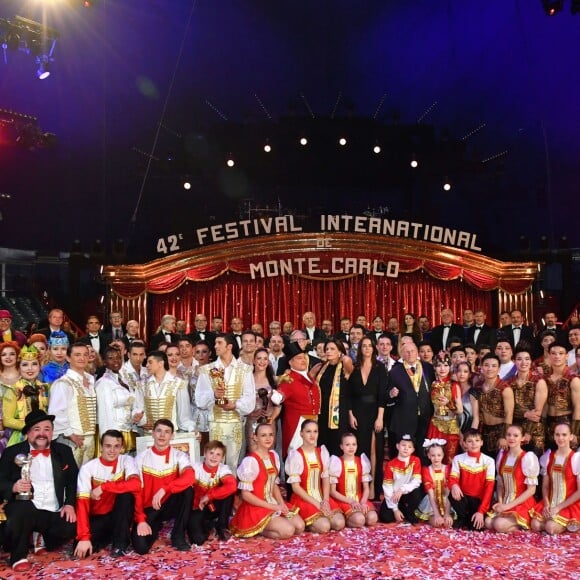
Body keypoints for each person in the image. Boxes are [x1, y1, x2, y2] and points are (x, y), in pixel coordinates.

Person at [0, 410, 78, 572]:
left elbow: (72, 481)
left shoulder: (64, 451)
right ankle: (18, 556)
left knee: (70, 527)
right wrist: (13, 487)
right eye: (37, 429)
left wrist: (69, 504)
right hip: (25, 508)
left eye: (47, 429)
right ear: (28, 433)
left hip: (53, 509)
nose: (42, 434)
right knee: (22, 509)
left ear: (52, 432)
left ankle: (36, 535)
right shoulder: (12, 452)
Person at [74, 429, 141, 558]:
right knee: (81, 551)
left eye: (116, 446)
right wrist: (84, 537)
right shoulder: (88, 468)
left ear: (122, 447)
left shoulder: (126, 460)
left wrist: (104, 487)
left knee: (126, 496)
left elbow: (136, 485)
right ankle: (109, 537)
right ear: (101, 446)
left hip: (119, 515)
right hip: (98, 517)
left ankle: (120, 544)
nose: (112, 450)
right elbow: (82, 504)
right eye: (108, 446)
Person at [230, 423, 304, 539]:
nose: (268, 438)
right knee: (288, 531)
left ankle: (268, 527)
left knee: (300, 527)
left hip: (273, 503)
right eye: (263, 435)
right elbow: (245, 495)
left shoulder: (273, 456)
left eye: (271, 435)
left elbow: (273, 484)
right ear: (255, 438)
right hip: (256, 507)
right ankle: (257, 529)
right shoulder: (250, 461)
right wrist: (272, 507)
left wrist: (281, 503)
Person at [132, 419, 194, 553]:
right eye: (159, 431)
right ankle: (155, 526)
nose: (162, 435)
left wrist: (165, 488)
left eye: (167, 432)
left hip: (169, 504)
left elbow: (190, 477)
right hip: (150, 508)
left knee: (187, 490)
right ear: (152, 433)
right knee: (141, 548)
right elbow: (136, 492)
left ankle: (178, 536)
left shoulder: (179, 456)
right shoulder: (141, 458)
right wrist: (141, 519)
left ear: (172, 436)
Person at [196, 334, 255, 472]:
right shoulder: (207, 369)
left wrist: (236, 405)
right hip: (216, 423)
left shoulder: (245, 369)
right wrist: (213, 395)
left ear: (229, 346)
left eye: (219, 343)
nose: (215, 346)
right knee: (215, 464)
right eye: (215, 343)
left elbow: (249, 397)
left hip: (236, 423)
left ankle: (230, 492)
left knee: (233, 464)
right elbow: (199, 399)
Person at [285, 419, 345, 534]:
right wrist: (317, 504)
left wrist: (325, 501)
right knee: (324, 526)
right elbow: (296, 488)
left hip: (321, 497)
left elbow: (325, 478)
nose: (312, 435)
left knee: (339, 523)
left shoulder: (322, 452)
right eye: (308, 431)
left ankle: (316, 519)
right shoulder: (295, 456)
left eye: (315, 431)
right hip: (304, 499)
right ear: (301, 434)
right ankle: (308, 521)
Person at [347, 335, 388, 499]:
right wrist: (350, 414)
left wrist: (380, 418)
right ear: (359, 349)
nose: (367, 349)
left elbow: (382, 396)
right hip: (357, 413)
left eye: (369, 345)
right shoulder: (354, 368)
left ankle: (373, 487)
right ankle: (358, 487)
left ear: (374, 348)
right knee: (359, 450)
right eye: (364, 346)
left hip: (374, 412)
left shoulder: (380, 368)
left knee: (374, 450)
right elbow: (348, 395)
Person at [386, 341, 435, 464]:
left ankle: (422, 481)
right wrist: (391, 394)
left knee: (423, 452)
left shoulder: (428, 368)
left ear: (417, 352)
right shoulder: (394, 372)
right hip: (405, 419)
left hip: (425, 418)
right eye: (406, 352)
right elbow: (387, 395)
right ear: (402, 355)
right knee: (406, 454)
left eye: (412, 351)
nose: (410, 354)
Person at [48, 343, 97, 466]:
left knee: (85, 478)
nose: (82, 358)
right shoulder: (63, 383)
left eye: (85, 355)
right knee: (71, 477)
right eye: (77, 355)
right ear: (68, 358)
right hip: (72, 439)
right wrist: (70, 434)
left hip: (90, 438)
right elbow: (56, 413)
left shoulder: (91, 380)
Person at [485, 424, 540, 533]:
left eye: (515, 435)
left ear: (522, 438)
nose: (511, 438)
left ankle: (522, 526)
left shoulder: (528, 458)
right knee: (488, 522)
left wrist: (507, 507)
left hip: (521, 503)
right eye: (509, 435)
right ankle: (513, 528)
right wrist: (501, 503)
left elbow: (531, 490)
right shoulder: (502, 456)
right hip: (505, 501)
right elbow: (500, 483)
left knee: (498, 524)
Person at [272, 342, 322, 458]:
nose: (303, 360)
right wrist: (276, 395)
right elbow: (278, 397)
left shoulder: (309, 376)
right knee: (296, 455)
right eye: (299, 358)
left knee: (310, 457)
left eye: (304, 357)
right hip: (297, 424)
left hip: (312, 423)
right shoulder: (289, 379)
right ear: (290, 362)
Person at [530, 422, 580, 535]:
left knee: (550, 527)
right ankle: (565, 525)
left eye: (564, 435)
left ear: (571, 436)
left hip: (569, 504)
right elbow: (546, 486)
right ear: (554, 436)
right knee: (535, 524)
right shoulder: (548, 457)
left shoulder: (576, 458)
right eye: (557, 435)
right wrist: (547, 505)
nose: (560, 438)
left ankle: (571, 523)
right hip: (551, 502)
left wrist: (558, 508)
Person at [188, 440, 237, 544]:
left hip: (214, 506)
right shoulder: (195, 468)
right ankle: (209, 525)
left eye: (218, 454)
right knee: (198, 540)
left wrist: (209, 496)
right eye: (211, 453)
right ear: (205, 453)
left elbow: (232, 486)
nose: (214, 457)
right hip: (198, 508)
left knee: (229, 491)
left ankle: (222, 526)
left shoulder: (223, 469)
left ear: (222, 458)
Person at [96, 347, 144, 454]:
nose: (116, 361)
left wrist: (136, 414)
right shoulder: (103, 384)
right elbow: (105, 415)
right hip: (114, 433)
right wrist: (110, 440)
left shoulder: (123, 379)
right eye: (111, 358)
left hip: (128, 430)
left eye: (118, 357)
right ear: (104, 362)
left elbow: (132, 403)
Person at [448, 428, 495, 530]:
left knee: (475, 528)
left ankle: (468, 519)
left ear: (482, 442)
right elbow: (452, 478)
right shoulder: (458, 458)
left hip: (479, 500)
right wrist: (454, 485)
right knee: (452, 493)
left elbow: (489, 488)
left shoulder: (489, 461)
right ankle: (462, 517)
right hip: (464, 499)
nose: (474, 444)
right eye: (470, 441)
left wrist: (481, 511)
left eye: (477, 441)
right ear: (464, 444)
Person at [313, 339, 354, 456]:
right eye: (327, 349)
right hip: (323, 412)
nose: (328, 351)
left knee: (337, 443)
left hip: (339, 412)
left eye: (332, 349)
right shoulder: (321, 366)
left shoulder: (345, 364)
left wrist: (344, 357)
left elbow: (348, 362)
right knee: (323, 443)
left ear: (340, 351)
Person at [329, 432, 378, 528]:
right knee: (359, 520)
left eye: (353, 444)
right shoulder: (336, 463)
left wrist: (363, 502)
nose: (351, 447)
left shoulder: (362, 461)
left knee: (372, 518)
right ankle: (346, 516)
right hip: (344, 500)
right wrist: (350, 501)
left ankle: (354, 516)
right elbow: (332, 491)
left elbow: (366, 488)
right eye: (347, 444)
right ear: (341, 446)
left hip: (359, 499)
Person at [3, 345, 49, 446]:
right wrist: (33, 426)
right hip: (20, 438)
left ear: (40, 366)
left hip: (44, 437)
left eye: (34, 364)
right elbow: (7, 421)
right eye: (25, 365)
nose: (30, 368)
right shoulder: (13, 390)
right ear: (18, 368)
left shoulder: (45, 389)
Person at [141, 350, 196, 434]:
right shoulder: (142, 384)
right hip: (149, 436)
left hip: (170, 436)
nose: (147, 365)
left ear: (161, 363)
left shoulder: (178, 383)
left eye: (150, 362)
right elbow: (138, 409)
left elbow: (184, 415)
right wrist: (142, 421)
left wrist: (191, 429)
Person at [507, 346, 548, 456]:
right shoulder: (509, 383)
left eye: (527, 359)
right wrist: (525, 413)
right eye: (519, 359)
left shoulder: (539, 381)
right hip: (514, 430)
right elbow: (507, 409)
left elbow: (537, 413)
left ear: (531, 361)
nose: (523, 362)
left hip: (534, 431)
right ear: (514, 361)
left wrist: (528, 432)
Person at [426, 353, 463, 462]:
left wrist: (448, 403)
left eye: (446, 365)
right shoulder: (432, 384)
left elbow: (460, 410)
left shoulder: (454, 385)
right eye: (439, 365)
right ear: (434, 367)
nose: (442, 369)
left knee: (449, 459)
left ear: (450, 367)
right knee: (434, 459)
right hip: (435, 425)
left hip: (450, 426)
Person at [379, 433, 422, 524]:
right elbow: (387, 487)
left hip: (406, 493)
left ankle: (409, 512)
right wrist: (395, 509)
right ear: (397, 446)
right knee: (386, 517)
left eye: (409, 447)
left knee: (417, 492)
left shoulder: (415, 460)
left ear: (413, 450)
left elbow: (417, 481)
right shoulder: (391, 464)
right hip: (394, 495)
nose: (406, 448)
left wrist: (402, 490)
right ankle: (399, 508)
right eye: (403, 445)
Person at [544, 342, 580, 449]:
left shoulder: (573, 378)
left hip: (566, 421)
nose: (557, 356)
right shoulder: (544, 378)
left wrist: (574, 432)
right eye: (553, 353)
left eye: (561, 353)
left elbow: (578, 407)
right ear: (549, 355)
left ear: (567, 355)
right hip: (548, 422)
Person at [477, 353, 514, 457]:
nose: (490, 369)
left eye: (494, 366)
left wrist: (504, 436)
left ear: (498, 369)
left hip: (500, 431)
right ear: (481, 367)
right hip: (483, 431)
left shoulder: (505, 388)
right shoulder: (478, 386)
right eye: (486, 365)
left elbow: (509, 413)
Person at [245, 348, 281, 453]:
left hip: (270, 423)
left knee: (269, 453)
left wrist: (271, 418)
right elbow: (241, 401)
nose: (262, 361)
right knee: (254, 453)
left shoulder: (274, 380)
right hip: (252, 422)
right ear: (254, 361)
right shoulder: (247, 379)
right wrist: (251, 413)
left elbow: (279, 405)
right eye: (259, 358)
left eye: (265, 359)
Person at [415, 439, 453, 528]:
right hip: (431, 503)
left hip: (446, 501)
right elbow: (431, 495)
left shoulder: (448, 469)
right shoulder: (426, 470)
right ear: (428, 455)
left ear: (443, 455)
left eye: (439, 455)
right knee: (438, 523)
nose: (436, 458)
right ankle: (433, 517)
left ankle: (447, 515)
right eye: (433, 455)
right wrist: (436, 514)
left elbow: (448, 493)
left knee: (448, 523)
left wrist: (447, 514)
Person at [454, 361, 479, 435]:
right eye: (459, 371)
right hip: (453, 430)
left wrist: (471, 436)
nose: (462, 374)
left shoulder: (473, 391)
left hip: (468, 431)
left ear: (470, 374)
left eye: (465, 371)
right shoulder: (452, 389)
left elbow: (476, 418)